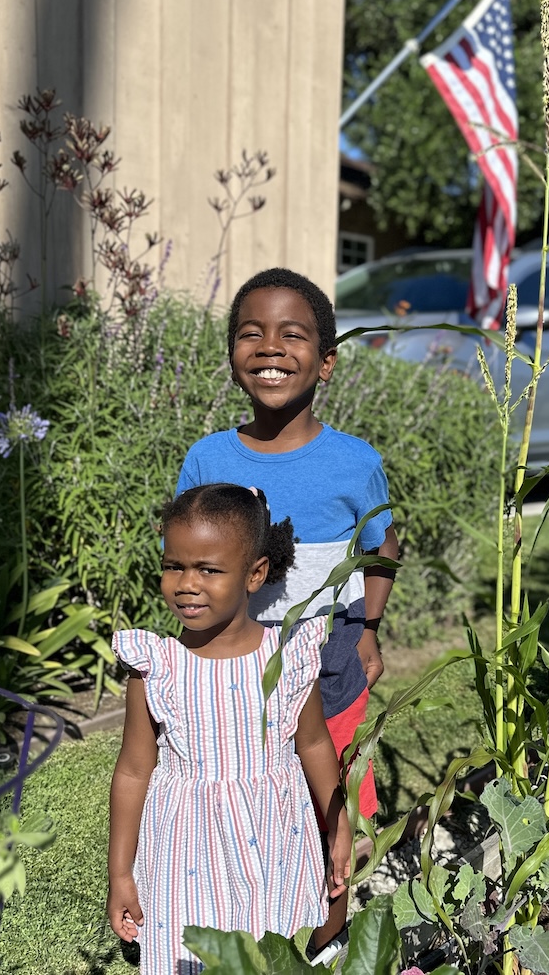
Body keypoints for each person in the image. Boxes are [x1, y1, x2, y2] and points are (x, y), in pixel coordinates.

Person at [174, 267, 400, 950]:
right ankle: (235, 925)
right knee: (241, 798)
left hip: (328, 662)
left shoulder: (354, 462)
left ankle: (331, 936)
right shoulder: (207, 458)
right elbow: (190, 557)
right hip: (235, 664)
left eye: (292, 335)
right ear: (234, 358)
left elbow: (383, 544)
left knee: (332, 803)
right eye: (252, 332)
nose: (270, 347)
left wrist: (368, 627)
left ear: (326, 362)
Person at [107, 483, 350, 974]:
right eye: (173, 565)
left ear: (255, 573)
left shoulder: (286, 656)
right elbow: (134, 772)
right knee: (195, 955)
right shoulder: (156, 666)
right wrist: (120, 873)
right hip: (185, 846)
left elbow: (315, 744)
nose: (186, 583)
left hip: (272, 835)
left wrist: (339, 827)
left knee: (271, 950)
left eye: (209, 569)